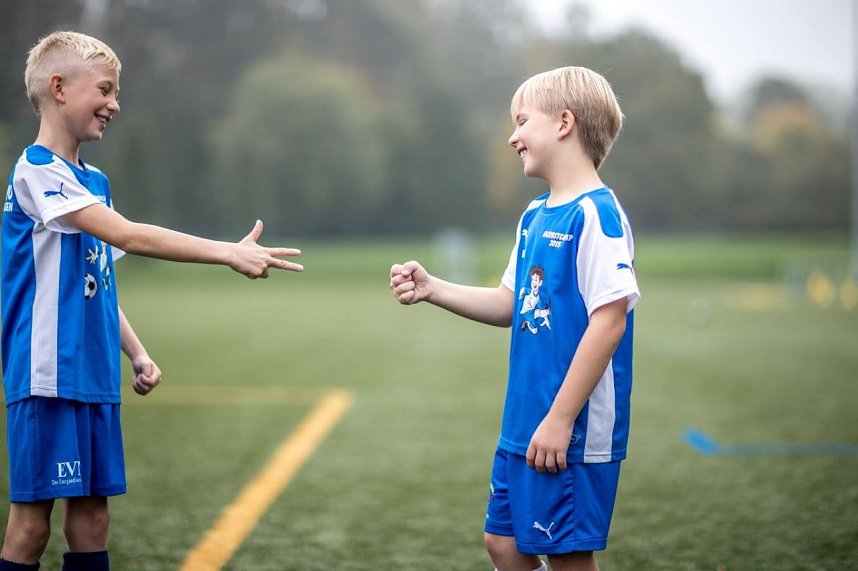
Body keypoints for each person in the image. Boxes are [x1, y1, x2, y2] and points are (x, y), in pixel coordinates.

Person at [0, 31, 302, 571]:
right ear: (59, 88)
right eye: (106, 90)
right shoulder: (37, 170)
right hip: (47, 374)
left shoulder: (93, 181)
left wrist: (136, 353)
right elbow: (131, 236)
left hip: (92, 375)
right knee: (31, 525)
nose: (115, 104)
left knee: (93, 517)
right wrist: (226, 253)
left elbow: (96, 285)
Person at [389, 66, 639, 571]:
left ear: (564, 123)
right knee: (503, 544)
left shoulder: (595, 215)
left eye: (522, 121)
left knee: (565, 556)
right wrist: (433, 287)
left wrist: (561, 418)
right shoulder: (535, 215)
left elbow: (609, 322)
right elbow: (509, 302)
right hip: (525, 420)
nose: (512, 136)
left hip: (567, 426)